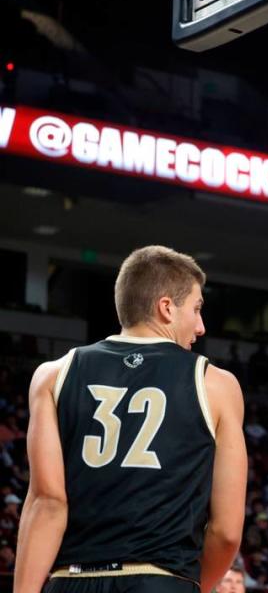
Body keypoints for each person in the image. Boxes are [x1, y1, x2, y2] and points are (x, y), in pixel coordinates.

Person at [13, 245, 247, 593]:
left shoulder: (53, 374)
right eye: (197, 310)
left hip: (72, 580)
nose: (200, 327)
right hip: (160, 579)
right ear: (166, 308)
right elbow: (226, 532)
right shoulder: (216, 383)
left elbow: (47, 503)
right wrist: (192, 585)